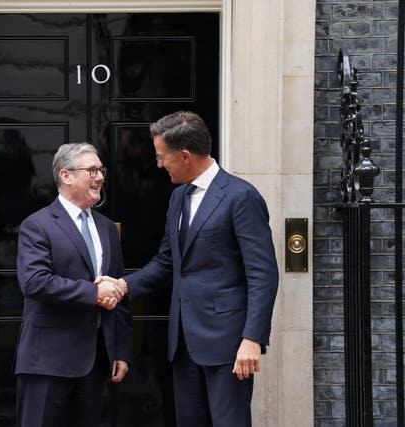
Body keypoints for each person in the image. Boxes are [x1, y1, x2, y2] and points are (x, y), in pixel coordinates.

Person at [99, 111, 279, 426]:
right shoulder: (178, 196)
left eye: (161, 157)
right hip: (182, 342)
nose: (158, 164)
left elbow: (263, 274)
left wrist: (252, 338)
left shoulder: (241, 197)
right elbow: (168, 262)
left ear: (185, 156)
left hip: (228, 344)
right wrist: (124, 286)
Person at [15, 142, 131, 427]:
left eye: (101, 170)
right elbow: (34, 282)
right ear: (65, 176)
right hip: (48, 362)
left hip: (95, 363)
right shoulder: (37, 225)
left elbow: (119, 291)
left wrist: (120, 350)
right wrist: (94, 293)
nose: (101, 177)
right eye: (91, 170)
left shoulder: (107, 228)